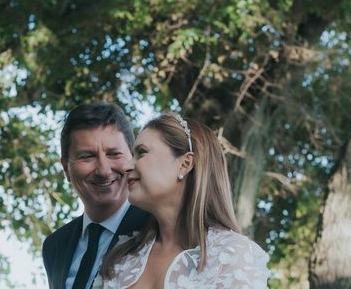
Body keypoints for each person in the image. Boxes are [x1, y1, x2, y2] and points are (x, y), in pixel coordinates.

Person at [95, 113, 269, 288]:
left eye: (142, 153)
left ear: (185, 164)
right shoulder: (122, 257)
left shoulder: (231, 256)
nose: (126, 166)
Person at [42, 102, 150, 289]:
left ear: (132, 158)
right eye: (87, 156)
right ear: (66, 169)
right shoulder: (54, 246)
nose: (104, 170)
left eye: (114, 154)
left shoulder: (157, 225)